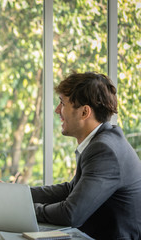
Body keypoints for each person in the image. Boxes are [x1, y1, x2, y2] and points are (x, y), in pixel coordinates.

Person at [31, 72, 141, 239]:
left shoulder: (105, 150)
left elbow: (71, 214)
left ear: (84, 112)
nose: (57, 110)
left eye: (62, 103)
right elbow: (71, 189)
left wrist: (23, 208)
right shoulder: (103, 141)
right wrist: (17, 194)